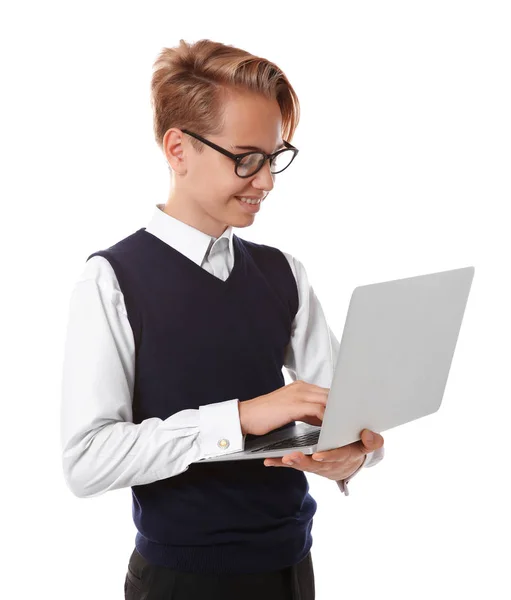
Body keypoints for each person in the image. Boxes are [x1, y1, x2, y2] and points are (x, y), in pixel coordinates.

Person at [60, 38, 385, 600]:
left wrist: (351, 457)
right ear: (179, 149)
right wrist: (240, 417)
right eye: (246, 159)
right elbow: (86, 462)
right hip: (181, 583)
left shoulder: (284, 273)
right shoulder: (112, 280)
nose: (267, 181)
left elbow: (345, 414)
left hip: (292, 568)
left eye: (274, 157)